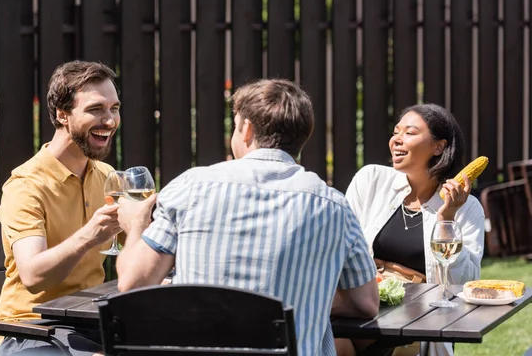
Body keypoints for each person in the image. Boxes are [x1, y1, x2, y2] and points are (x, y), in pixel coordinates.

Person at [115, 78, 380, 356]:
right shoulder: (334, 206)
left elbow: (133, 284)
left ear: (247, 129)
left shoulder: (190, 187)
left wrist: (136, 225)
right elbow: (365, 303)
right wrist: (303, 296)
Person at [0, 60, 126, 356]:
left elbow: (139, 250)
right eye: (96, 109)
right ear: (62, 115)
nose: (109, 120)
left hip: (90, 320)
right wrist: (90, 235)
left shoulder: (107, 177)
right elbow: (32, 276)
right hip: (30, 332)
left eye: (114, 108)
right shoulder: (26, 185)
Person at [336, 104, 486, 356]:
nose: (397, 139)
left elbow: (464, 283)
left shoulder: (466, 207)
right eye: (396, 132)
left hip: (420, 313)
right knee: (334, 343)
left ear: (439, 146)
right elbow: (341, 244)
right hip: (367, 300)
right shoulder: (370, 179)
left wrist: (446, 219)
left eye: (409, 132)